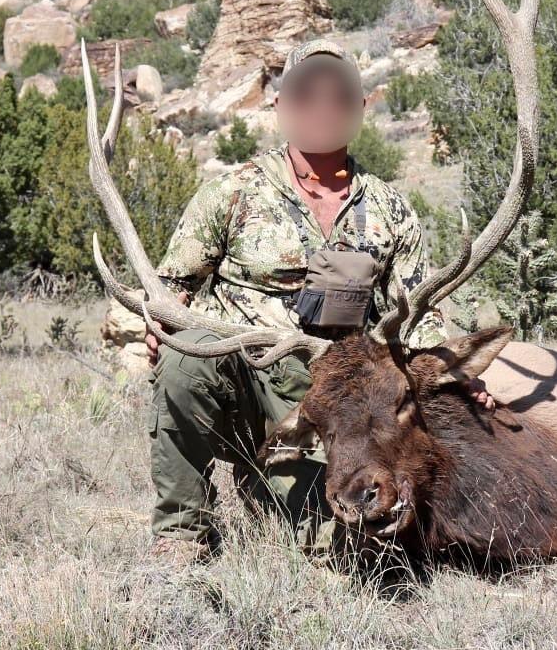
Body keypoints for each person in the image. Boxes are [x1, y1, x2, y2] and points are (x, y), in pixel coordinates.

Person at [144, 39, 493, 564]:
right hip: (241, 381)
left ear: (359, 107)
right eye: (306, 95)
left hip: (339, 406)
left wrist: (457, 373)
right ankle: (181, 533)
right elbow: (172, 286)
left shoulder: (390, 210)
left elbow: (419, 317)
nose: (323, 108)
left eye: (338, 97)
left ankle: (266, 482)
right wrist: (160, 326)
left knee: (332, 542)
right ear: (281, 105)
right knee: (183, 360)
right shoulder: (232, 192)